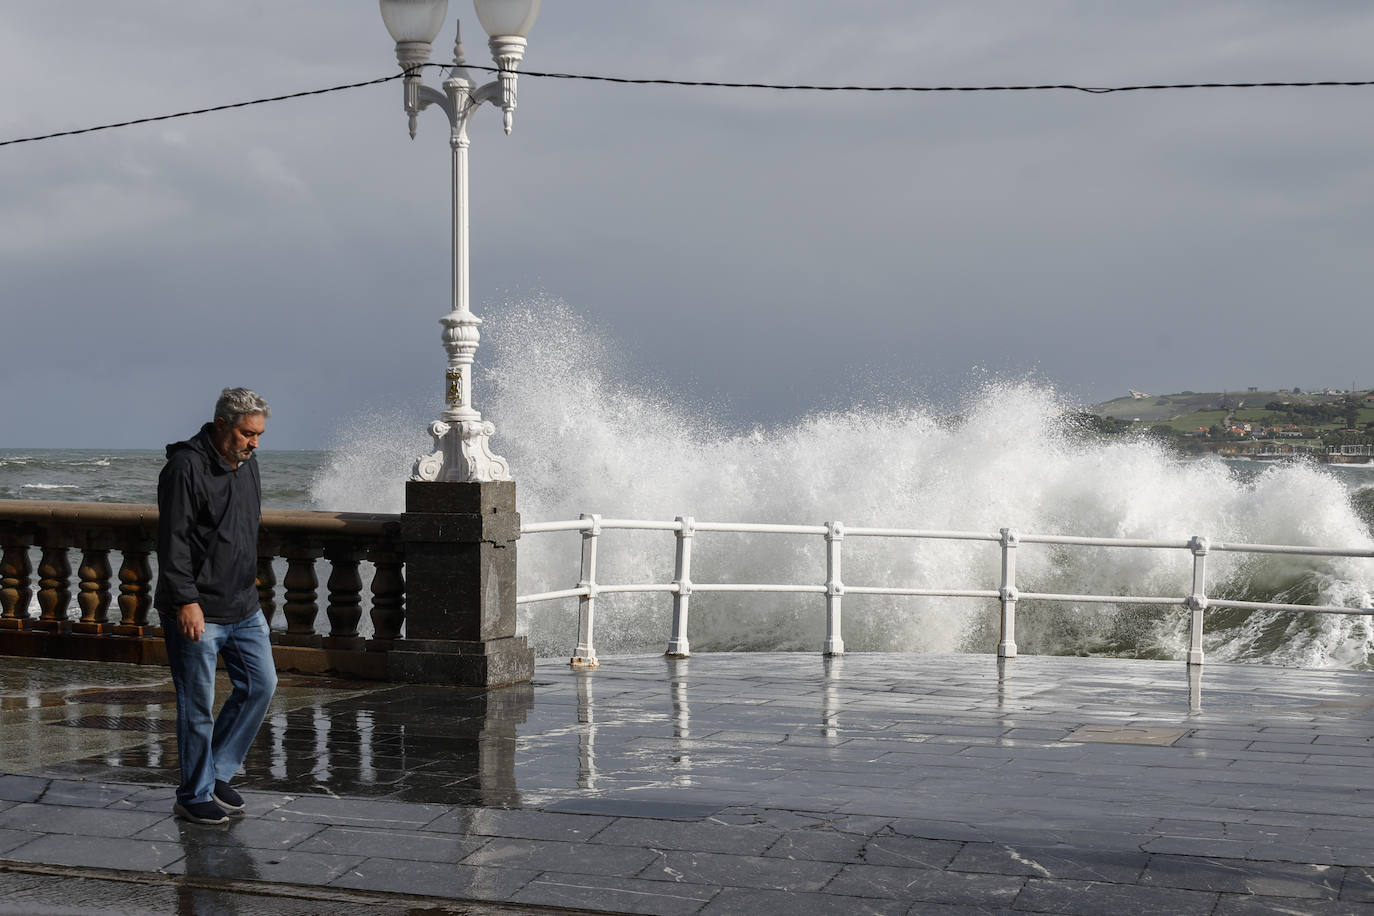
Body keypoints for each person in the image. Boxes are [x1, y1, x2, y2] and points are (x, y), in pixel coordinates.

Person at [154, 387, 277, 825]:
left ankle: (216, 771)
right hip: (197, 610)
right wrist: (186, 601)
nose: (254, 443)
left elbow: (244, 531)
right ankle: (192, 794)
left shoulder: (249, 465)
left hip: (243, 606)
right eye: (247, 434)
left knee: (261, 685)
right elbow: (174, 544)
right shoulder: (185, 468)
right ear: (222, 425)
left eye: (259, 435)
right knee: (197, 706)